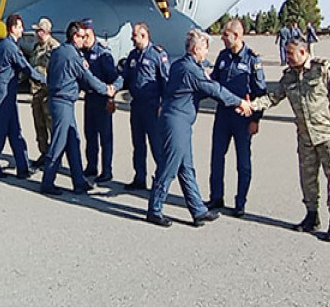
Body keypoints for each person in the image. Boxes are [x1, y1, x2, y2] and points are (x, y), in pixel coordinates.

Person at [250, 37, 330, 242]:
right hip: (305, 137)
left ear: (303, 52)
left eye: (290, 53)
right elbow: (273, 97)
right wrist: (251, 106)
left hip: (328, 136)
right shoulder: (289, 77)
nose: (287, 57)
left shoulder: (323, 70)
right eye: (286, 53)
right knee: (307, 178)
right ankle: (311, 215)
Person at [147, 29, 251, 227]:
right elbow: (213, 89)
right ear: (196, 49)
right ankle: (155, 209)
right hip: (176, 123)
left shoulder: (181, 65)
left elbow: (198, 91)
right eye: (205, 48)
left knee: (186, 168)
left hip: (179, 122)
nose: (206, 53)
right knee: (169, 167)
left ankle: (198, 210)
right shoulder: (191, 70)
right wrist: (239, 102)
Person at [41, 21, 116, 195]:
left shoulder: (59, 51)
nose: (84, 40)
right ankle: (47, 182)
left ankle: (79, 181)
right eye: (82, 37)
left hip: (60, 100)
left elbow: (50, 74)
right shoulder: (73, 56)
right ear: (75, 37)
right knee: (59, 143)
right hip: (63, 102)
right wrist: (107, 89)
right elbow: (87, 78)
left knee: (73, 140)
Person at [207, 19, 266, 217]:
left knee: (243, 162)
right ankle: (216, 197)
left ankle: (240, 202)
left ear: (237, 36)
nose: (222, 38)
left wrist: (256, 119)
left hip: (243, 117)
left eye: (225, 35)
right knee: (217, 157)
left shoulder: (252, 59)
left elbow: (260, 91)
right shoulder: (223, 56)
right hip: (223, 115)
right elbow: (214, 81)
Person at [0, 13, 43, 179]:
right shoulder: (9, 46)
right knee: (0, 132)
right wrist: (45, 80)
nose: (22, 30)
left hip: (7, 93)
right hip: (5, 94)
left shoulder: (6, 44)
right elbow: (25, 67)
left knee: (15, 132)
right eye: (19, 27)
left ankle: (22, 167)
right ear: (12, 28)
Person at [116, 22, 170, 190]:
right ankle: (140, 178)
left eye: (134, 36)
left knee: (156, 145)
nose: (132, 39)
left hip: (152, 106)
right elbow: (124, 77)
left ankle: (162, 180)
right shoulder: (133, 56)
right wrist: (113, 88)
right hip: (137, 106)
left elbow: (166, 81)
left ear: (144, 36)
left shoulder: (157, 54)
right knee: (138, 144)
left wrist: (164, 104)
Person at [80, 19, 120, 183]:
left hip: (102, 99)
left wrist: (111, 99)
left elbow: (112, 78)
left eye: (86, 36)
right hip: (89, 98)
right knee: (90, 134)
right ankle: (91, 166)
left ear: (92, 34)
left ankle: (107, 170)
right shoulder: (83, 53)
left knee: (105, 137)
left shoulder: (102, 53)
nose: (84, 40)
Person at [27, 17, 60, 167]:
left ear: (46, 31)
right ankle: (44, 152)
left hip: (47, 92)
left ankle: (55, 155)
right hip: (36, 92)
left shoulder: (54, 47)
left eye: (39, 30)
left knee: (50, 124)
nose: (36, 33)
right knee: (39, 124)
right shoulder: (36, 47)